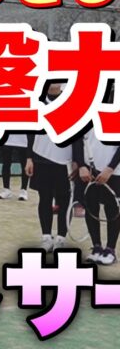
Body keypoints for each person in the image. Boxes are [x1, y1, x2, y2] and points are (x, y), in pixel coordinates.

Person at [25, 82, 73, 252]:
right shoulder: (37, 102)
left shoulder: (71, 101)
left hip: (65, 160)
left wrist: (77, 161)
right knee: (44, 198)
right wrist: (29, 157)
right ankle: (46, 237)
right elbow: (31, 132)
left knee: (65, 200)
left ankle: (61, 238)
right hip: (41, 158)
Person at [74, 133, 120, 265]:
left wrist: (110, 169)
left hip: (114, 171)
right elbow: (77, 139)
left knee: (112, 209)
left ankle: (110, 250)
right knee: (91, 207)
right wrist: (81, 165)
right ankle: (97, 247)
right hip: (88, 170)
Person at [0, 134, 29, 201]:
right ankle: (6, 189)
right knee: (6, 164)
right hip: (7, 140)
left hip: (23, 140)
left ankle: (23, 190)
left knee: (24, 164)